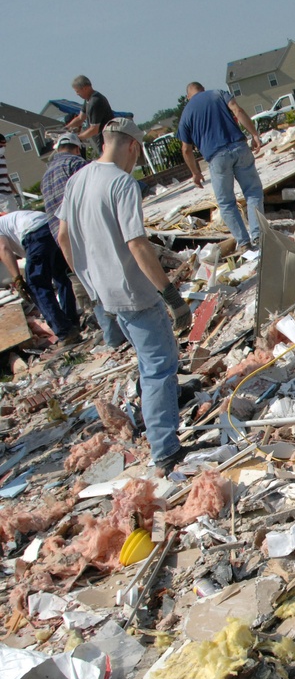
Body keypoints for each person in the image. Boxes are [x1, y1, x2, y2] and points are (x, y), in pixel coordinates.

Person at [57, 118, 193, 472]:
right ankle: (165, 449)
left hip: (105, 293)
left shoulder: (76, 181)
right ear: (132, 146)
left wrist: (88, 284)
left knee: (148, 362)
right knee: (159, 367)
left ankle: (163, 407)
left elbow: (63, 238)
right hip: (135, 293)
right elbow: (136, 243)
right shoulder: (122, 183)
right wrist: (171, 296)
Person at [41, 132, 126, 348]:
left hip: (64, 240)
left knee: (91, 285)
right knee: (108, 277)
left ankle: (112, 337)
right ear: (77, 148)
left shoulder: (46, 175)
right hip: (86, 230)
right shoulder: (76, 164)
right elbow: (95, 190)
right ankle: (125, 330)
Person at [177, 82, 265, 252]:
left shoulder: (186, 114)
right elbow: (237, 111)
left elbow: (186, 149)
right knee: (253, 192)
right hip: (239, 147)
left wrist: (195, 173)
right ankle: (259, 236)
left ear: (188, 96)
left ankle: (244, 243)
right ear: (202, 89)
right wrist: (254, 134)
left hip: (216, 157)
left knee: (226, 203)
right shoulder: (218, 93)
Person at [0, 209, 80, 345]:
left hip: (34, 233)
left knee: (37, 287)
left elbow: (4, 250)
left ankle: (65, 332)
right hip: (50, 226)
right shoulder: (8, 221)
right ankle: (71, 323)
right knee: (62, 279)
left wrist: (17, 279)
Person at [67, 75, 115, 154]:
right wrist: (65, 128)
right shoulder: (88, 100)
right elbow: (80, 118)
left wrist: (75, 139)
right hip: (102, 143)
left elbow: (94, 129)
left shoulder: (95, 101)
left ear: (85, 88)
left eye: (77, 91)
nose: (76, 94)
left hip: (107, 143)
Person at [0, 134, 18, 212]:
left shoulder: (2, 158)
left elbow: (6, 176)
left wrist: (15, 192)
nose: (4, 147)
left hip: (8, 193)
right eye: (1, 145)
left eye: (4, 145)